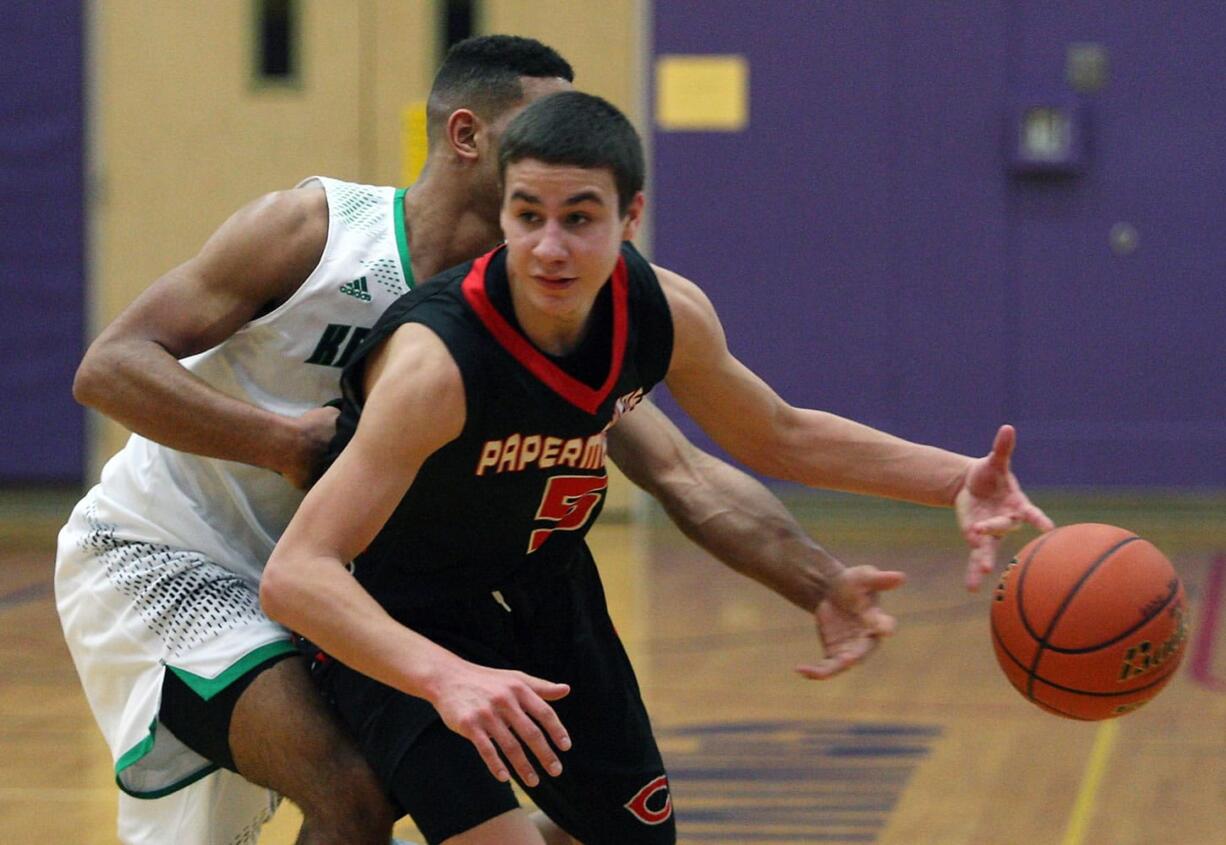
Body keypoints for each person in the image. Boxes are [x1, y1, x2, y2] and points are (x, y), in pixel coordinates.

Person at [53, 36, 990, 845]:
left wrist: (818, 577)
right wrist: (286, 441)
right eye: (544, 132)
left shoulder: (534, 307)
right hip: (169, 551)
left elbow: (685, 467)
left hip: (327, 577)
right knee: (351, 787)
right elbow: (110, 366)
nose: (562, 147)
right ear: (471, 139)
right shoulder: (317, 232)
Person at [259, 90, 1054, 845]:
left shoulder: (661, 311)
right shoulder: (437, 365)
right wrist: (447, 676)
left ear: (630, 216)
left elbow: (780, 434)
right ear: (501, 212)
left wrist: (955, 478)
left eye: (579, 218)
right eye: (528, 215)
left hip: (544, 591)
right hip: (402, 613)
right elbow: (296, 574)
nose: (549, 247)